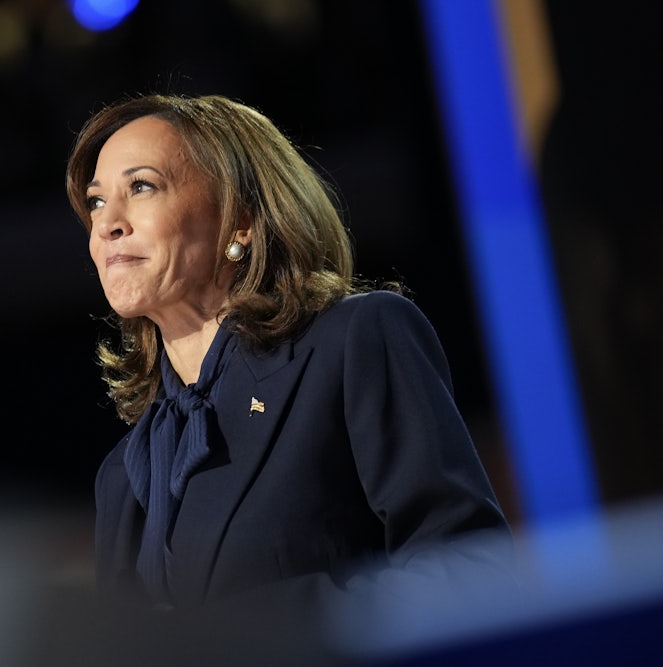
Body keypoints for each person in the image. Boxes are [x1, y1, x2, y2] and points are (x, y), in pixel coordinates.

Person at [64, 93, 514, 616]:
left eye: (141, 187)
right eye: (96, 201)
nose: (106, 223)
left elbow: (468, 571)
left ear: (242, 221)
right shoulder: (122, 476)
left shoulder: (353, 342)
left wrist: (249, 636)